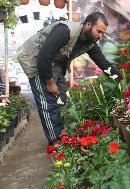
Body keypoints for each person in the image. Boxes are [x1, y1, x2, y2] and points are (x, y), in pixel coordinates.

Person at [17, 12, 121, 146]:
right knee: (47, 103)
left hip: (56, 65)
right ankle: (55, 142)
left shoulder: (90, 42)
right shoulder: (65, 31)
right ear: (88, 24)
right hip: (37, 60)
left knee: (61, 100)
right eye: (99, 31)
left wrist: (120, 81)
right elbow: (43, 57)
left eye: (103, 33)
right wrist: (50, 83)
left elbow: (104, 64)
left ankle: (63, 136)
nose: (100, 36)